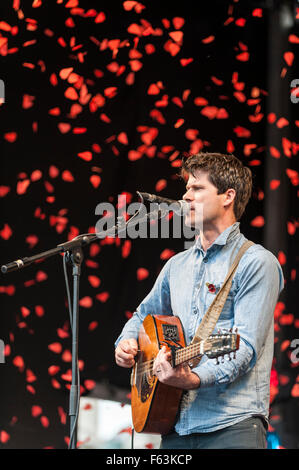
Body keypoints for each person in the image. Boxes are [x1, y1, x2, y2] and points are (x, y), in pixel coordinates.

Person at [114, 152, 284, 449]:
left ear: (228, 196)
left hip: (233, 425)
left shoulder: (257, 262)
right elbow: (142, 316)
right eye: (187, 188)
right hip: (175, 425)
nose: (185, 195)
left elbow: (243, 347)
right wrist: (126, 345)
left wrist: (192, 379)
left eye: (197, 188)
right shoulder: (176, 265)